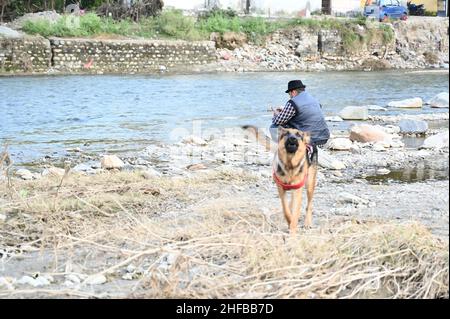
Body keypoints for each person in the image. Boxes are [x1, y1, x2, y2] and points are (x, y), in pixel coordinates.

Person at [270, 80, 330, 147]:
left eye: (289, 94)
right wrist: (285, 111)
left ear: (293, 92)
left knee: (274, 126)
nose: (290, 97)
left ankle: (284, 149)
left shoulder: (293, 102)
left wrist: (276, 113)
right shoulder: (313, 99)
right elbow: (306, 113)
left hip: (309, 139)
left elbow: (278, 121)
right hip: (323, 137)